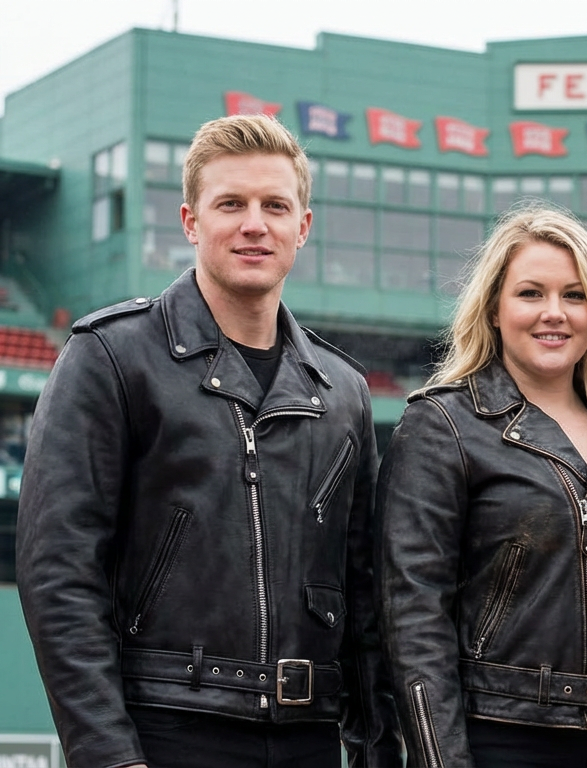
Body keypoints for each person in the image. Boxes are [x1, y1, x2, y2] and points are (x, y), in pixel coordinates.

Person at [15, 114, 401, 767]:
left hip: (308, 736)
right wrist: (109, 755)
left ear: (302, 226)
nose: (255, 224)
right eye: (231, 204)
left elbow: (364, 598)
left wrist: (378, 751)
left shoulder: (343, 390)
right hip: (164, 731)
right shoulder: (111, 356)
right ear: (191, 222)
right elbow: (58, 570)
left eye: (275, 205)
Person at [377, 204, 587, 767]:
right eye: (530, 293)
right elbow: (413, 617)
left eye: (574, 295)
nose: (554, 313)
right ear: (494, 309)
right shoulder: (442, 426)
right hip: (501, 738)